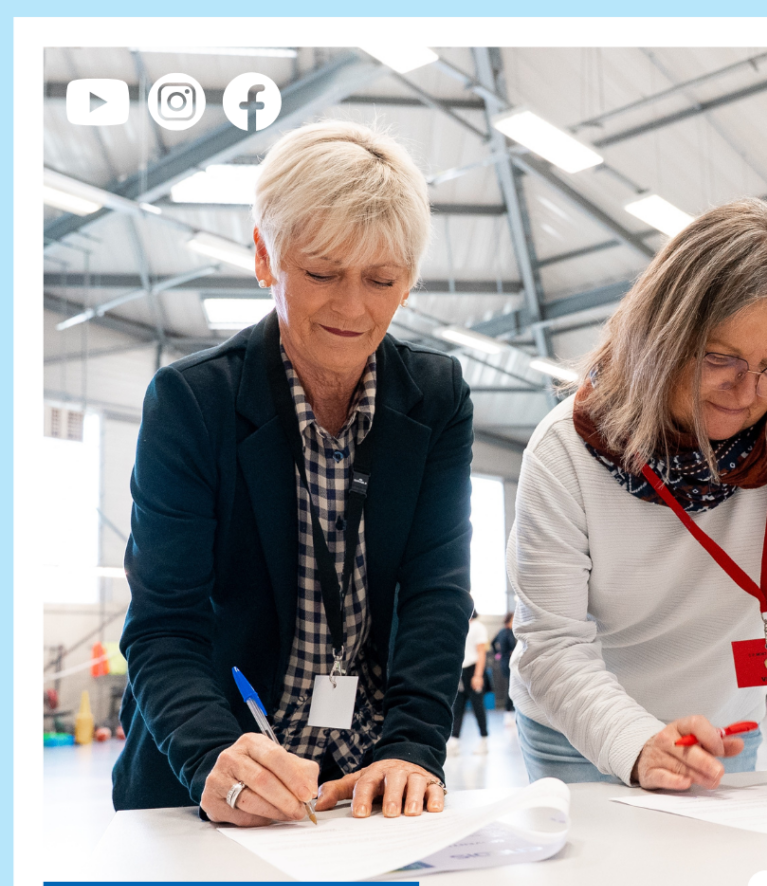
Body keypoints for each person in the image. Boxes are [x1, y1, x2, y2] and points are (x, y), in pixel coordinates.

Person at [113, 121, 474, 825]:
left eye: (382, 280)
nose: (352, 308)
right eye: (321, 274)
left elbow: (437, 592)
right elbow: (164, 625)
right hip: (212, 776)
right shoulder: (192, 403)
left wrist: (412, 748)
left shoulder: (436, 399)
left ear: (408, 281)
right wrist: (213, 756)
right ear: (264, 256)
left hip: (360, 781)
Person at [507, 198, 767, 798]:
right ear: (662, 337)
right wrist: (636, 742)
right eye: (720, 359)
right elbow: (551, 643)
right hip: (579, 730)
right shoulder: (562, 451)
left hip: (724, 726)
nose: (746, 392)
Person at [449, 610, 490, 756]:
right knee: (457, 707)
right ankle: (454, 741)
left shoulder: (478, 627)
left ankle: (484, 739)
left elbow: (481, 653)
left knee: (478, 707)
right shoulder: (459, 625)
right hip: (461, 671)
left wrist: (478, 675)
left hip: (473, 671)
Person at [490, 612, 517, 713]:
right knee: (511, 685)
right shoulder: (508, 632)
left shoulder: (501, 631)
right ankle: (509, 707)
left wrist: (498, 653)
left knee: (510, 685)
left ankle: (509, 707)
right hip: (508, 662)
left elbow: (493, 643)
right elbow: (512, 646)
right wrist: (501, 653)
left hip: (504, 661)